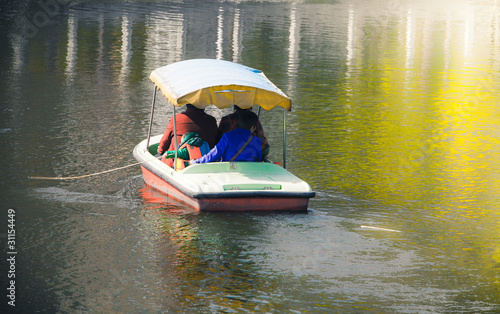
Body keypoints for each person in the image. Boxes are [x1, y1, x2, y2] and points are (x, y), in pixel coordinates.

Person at [191, 110, 262, 164]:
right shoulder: (257, 141)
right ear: (253, 127)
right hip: (249, 171)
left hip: (229, 172)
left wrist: (196, 162)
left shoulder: (227, 136)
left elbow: (213, 155)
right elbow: (258, 161)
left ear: (239, 124)